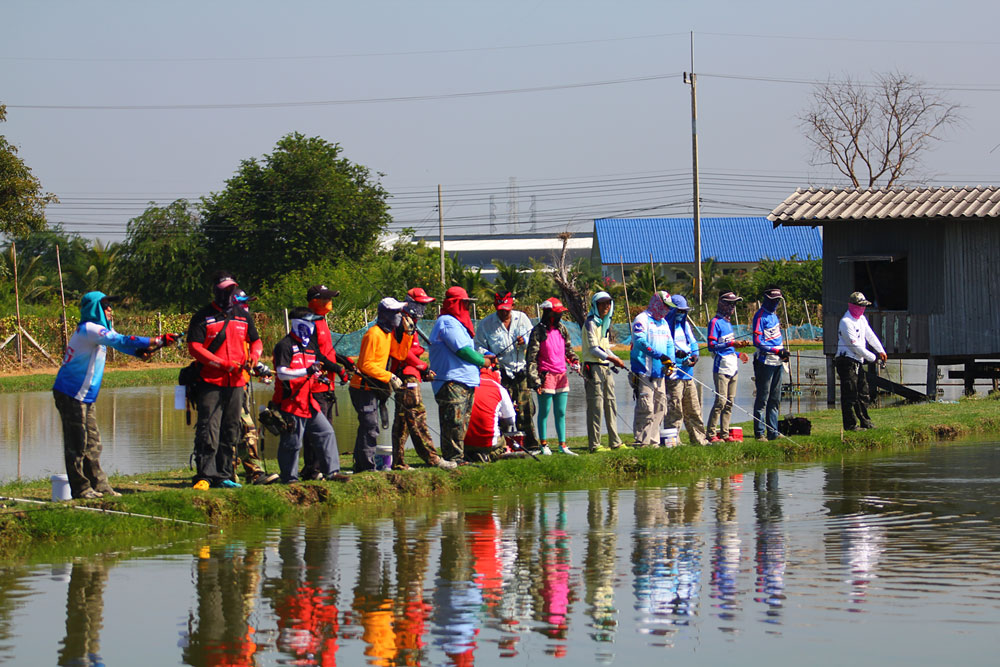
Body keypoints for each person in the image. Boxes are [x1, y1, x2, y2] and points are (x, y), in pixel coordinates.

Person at [53, 291, 177, 499]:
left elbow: (121, 344)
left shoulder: (101, 330)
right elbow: (121, 340)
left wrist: (144, 351)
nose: (111, 309)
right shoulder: (89, 329)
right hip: (71, 393)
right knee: (77, 443)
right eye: (106, 305)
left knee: (93, 443)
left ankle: (99, 486)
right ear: (95, 308)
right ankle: (81, 490)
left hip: (85, 396)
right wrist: (157, 339)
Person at [187, 271, 263, 490]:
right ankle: (205, 475)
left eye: (232, 290)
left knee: (231, 429)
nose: (229, 294)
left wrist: (254, 357)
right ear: (217, 292)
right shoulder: (202, 316)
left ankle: (224, 474)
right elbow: (195, 347)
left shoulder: (243, 315)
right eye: (225, 291)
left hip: (237, 381)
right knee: (209, 428)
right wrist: (221, 364)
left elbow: (256, 341)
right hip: (211, 381)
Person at [272, 307, 348, 483]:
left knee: (326, 432)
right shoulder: (284, 345)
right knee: (293, 443)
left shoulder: (310, 345)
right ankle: (289, 478)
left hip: (308, 401)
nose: (313, 325)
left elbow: (316, 364)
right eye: (310, 321)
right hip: (290, 402)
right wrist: (306, 371)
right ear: (299, 323)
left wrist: (320, 376)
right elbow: (282, 373)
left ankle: (332, 472)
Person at [389, 287, 456, 470]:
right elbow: (403, 353)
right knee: (417, 415)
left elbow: (414, 351)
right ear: (409, 303)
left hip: (411, 372)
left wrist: (421, 364)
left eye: (424, 304)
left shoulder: (411, 321)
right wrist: (423, 366)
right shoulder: (402, 322)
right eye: (419, 304)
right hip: (406, 375)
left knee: (402, 420)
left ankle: (398, 461)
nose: (422, 308)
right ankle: (433, 458)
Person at [429, 286, 493, 464]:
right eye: (463, 303)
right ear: (455, 303)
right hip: (451, 381)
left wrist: (483, 356)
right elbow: (462, 351)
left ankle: (458, 456)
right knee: (453, 422)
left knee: (462, 422)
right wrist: (483, 362)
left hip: (465, 380)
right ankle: (453, 458)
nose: (465, 306)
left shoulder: (459, 324)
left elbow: (469, 349)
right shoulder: (447, 322)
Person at [300, 284, 352, 480]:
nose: (330, 302)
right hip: (315, 385)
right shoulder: (308, 322)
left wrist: (343, 361)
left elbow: (327, 351)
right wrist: (337, 368)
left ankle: (322, 468)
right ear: (314, 301)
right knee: (317, 429)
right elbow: (315, 353)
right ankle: (312, 470)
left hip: (327, 385)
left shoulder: (323, 321)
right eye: (325, 298)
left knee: (327, 427)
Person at [474, 292, 538, 450]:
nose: (504, 313)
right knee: (503, 410)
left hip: (520, 370)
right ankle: (503, 444)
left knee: (526, 409)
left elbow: (534, 339)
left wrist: (525, 341)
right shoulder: (486, 324)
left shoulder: (522, 319)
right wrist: (488, 355)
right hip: (500, 373)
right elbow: (478, 346)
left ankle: (530, 443)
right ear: (496, 307)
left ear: (513, 307)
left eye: (507, 310)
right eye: (501, 310)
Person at [350, 298, 406, 472]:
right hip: (362, 387)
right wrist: (389, 376)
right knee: (370, 426)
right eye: (396, 312)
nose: (399, 315)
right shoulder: (373, 334)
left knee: (370, 426)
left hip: (373, 386)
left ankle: (362, 465)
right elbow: (365, 364)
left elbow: (399, 354)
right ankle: (366, 467)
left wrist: (408, 334)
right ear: (386, 315)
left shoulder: (387, 333)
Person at [231, 288, 279, 485]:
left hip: (241, 387)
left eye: (247, 303)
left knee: (245, 431)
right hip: (227, 389)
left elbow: (248, 353)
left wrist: (259, 367)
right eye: (242, 303)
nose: (246, 307)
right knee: (241, 430)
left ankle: (253, 473)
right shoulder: (228, 328)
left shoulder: (243, 328)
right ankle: (232, 475)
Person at [525, 297, 580, 456]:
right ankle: (544, 444)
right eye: (557, 313)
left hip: (561, 375)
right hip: (546, 376)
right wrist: (535, 381)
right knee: (544, 411)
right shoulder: (538, 331)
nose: (560, 316)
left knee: (561, 412)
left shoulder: (562, 329)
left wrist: (575, 360)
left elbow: (568, 350)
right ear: (549, 313)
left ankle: (563, 445)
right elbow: (531, 358)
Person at [580, 291, 627, 452]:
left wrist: (616, 358)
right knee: (596, 406)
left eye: (608, 303)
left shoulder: (604, 323)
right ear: (595, 305)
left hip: (606, 368)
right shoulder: (591, 323)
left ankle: (615, 442)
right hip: (593, 368)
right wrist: (612, 359)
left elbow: (605, 347)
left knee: (610, 404)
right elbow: (594, 349)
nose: (605, 306)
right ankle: (595, 444)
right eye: (602, 303)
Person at [836, 291, 887, 431]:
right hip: (846, 361)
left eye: (863, 306)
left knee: (863, 392)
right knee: (850, 394)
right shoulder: (845, 322)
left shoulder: (862, 319)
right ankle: (850, 425)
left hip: (857, 362)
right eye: (859, 306)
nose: (862, 308)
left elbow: (870, 335)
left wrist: (880, 350)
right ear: (851, 305)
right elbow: (855, 346)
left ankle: (865, 421)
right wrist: (872, 357)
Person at [629, 291, 675, 447]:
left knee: (660, 407)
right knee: (646, 407)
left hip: (659, 373)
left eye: (669, 308)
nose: (667, 310)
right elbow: (639, 341)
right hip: (643, 371)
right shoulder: (641, 319)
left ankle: (654, 442)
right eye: (665, 306)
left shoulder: (664, 323)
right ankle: (642, 441)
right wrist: (659, 355)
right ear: (657, 303)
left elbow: (669, 345)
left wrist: (670, 362)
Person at [664, 295, 710, 446]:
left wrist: (695, 356)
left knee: (693, 409)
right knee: (675, 410)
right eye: (679, 311)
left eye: (684, 311)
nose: (682, 314)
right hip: (673, 375)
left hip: (688, 374)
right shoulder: (664, 326)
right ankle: (673, 442)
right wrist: (676, 354)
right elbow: (664, 348)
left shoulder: (685, 326)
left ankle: (699, 440)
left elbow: (694, 343)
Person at [706, 291, 750, 442]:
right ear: (722, 304)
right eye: (730, 303)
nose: (732, 307)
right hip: (721, 368)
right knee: (720, 402)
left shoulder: (728, 323)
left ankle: (725, 434)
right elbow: (712, 346)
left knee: (730, 402)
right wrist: (732, 343)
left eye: (734, 304)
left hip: (733, 366)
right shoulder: (715, 322)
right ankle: (711, 434)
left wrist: (739, 353)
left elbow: (729, 349)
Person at [751, 285, 789, 441]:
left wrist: (783, 353)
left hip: (778, 362)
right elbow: (757, 341)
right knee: (763, 398)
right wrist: (776, 351)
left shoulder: (774, 316)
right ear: (766, 299)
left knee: (775, 398)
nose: (775, 303)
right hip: (764, 362)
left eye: (778, 300)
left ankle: (773, 431)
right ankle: (759, 432)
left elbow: (776, 339)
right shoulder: (759, 316)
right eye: (773, 300)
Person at [464, 365, 518, 462]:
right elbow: (510, 420)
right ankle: (490, 455)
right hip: (488, 442)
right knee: (502, 441)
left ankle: (469, 454)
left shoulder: (466, 384)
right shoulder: (499, 388)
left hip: (463, 442)